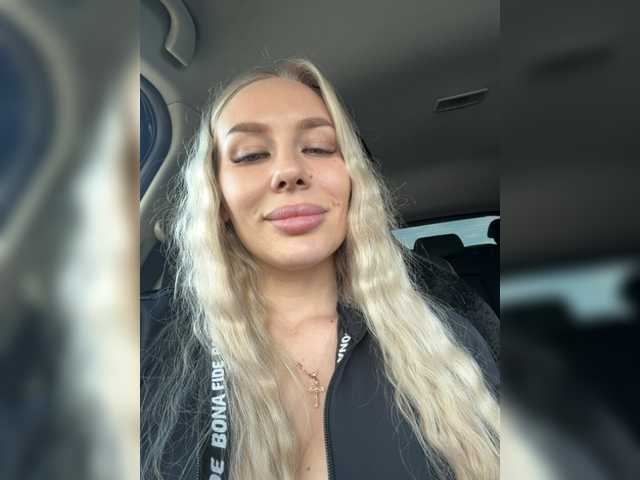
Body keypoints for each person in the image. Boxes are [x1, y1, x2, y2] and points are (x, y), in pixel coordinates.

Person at [141, 58, 499, 480]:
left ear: (353, 183)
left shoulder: (449, 344)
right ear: (217, 198)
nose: (289, 171)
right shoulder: (142, 341)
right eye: (250, 154)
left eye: (318, 147)